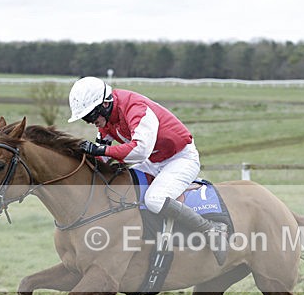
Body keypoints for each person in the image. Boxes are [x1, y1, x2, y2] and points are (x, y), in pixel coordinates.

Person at [68, 77, 227, 264]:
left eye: (90, 116)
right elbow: (102, 157)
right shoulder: (107, 120)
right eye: (86, 118)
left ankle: (210, 229)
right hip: (153, 160)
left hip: (180, 159)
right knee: (121, 187)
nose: (90, 122)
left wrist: (102, 150)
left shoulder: (135, 108)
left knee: (154, 200)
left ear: (104, 104)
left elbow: (139, 150)